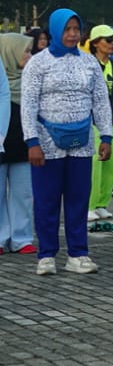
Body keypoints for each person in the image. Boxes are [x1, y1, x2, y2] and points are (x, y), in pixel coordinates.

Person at [20, 9, 113, 278]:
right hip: (47, 141)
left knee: (78, 199)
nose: (72, 35)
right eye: (67, 29)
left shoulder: (89, 63)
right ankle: (47, 254)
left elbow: (100, 102)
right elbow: (28, 105)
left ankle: (78, 253)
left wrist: (105, 135)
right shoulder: (38, 63)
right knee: (47, 200)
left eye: (76, 29)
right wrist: (32, 141)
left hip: (82, 141)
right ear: (55, 31)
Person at [84, 25, 113, 222]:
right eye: (108, 40)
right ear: (95, 43)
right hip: (94, 122)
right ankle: (89, 205)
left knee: (112, 164)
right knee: (95, 164)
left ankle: (102, 203)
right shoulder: (87, 65)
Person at [0, 34, 36, 255]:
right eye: (25, 50)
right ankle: (1, 237)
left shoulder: (30, 81)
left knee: (24, 193)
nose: (30, 55)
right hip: (1, 144)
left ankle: (22, 238)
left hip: (24, 146)